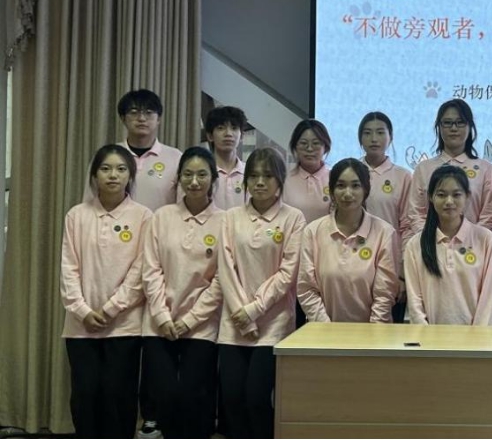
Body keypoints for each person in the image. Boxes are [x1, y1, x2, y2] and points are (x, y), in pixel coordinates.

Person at [61, 145, 152, 438]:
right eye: (106, 169)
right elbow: (69, 267)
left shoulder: (143, 216)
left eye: (121, 169)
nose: (113, 175)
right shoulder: (77, 215)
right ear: (94, 175)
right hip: (81, 326)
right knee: (85, 396)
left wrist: (111, 308)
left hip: (124, 325)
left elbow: (141, 271)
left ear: (130, 176)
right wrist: (83, 311)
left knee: (118, 397)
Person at [217, 148, 306, 439]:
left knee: (256, 397)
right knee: (232, 398)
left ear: (279, 180)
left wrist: (254, 310)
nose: (259, 182)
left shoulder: (293, 218)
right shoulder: (230, 217)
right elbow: (226, 268)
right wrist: (242, 314)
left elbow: (288, 273)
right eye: (253, 176)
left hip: (274, 323)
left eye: (267, 176)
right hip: (234, 322)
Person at [141, 147, 224, 438]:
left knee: (194, 396)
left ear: (213, 179)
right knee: (165, 395)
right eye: (187, 174)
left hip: (202, 325)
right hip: (159, 323)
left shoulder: (225, 221)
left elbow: (221, 280)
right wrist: (162, 317)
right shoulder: (161, 217)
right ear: (178, 179)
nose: (194, 181)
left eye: (202, 175)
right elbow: (150, 270)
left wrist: (190, 320)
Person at [297, 158, 400, 323]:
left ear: (366, 190)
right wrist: (326, 328)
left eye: (355, 186)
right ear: (331, 191)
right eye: (340, 185)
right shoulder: (313, 232)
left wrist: (374, 331)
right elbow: (306, 288)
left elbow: (385, 293)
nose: (347, 193)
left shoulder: (384, 233)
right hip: (323, 332)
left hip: (374, 331)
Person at [404, 165, 492, 325]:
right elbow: (415, 303)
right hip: (431, 337)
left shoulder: (485, 239)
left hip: (478, 336)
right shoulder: (415, 245)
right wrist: (425, 335)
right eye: (441, 195)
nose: (449, 201)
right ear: (431, 197)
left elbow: (489, 298)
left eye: (456, 195)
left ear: (467, 196)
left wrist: (478, 336)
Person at [408, 99, 492, 236]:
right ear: (439, 127)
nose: (454, 128)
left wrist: (469, 239)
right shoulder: (423, 169)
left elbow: (489, 215)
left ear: (470, 126)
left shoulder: (486, 169)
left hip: (474, 245)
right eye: (447, 123)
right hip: (431, 244)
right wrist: (433, 240)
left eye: (460, 122)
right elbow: (416, 214)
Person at [359, 112, 413, 322]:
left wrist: (402, 273)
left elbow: (408, 226)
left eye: (380, 132)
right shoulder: (350, 172)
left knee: (389, 330)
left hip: (390, 266)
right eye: (367, 133)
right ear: (360, 138)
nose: (374, 139)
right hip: (354, 265)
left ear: (390, 137)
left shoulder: (403, 176)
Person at [283, 119, 333, 224]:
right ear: (295, 147)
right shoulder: (284, 179)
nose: (309, 149)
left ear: (325, 147)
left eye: (316, 143)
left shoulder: (334, 179)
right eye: (303, 143)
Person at [205, 106, 248, 211]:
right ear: (210, 136)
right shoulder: (202, 172)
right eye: (221, 128)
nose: (228, 134)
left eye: (234, 128)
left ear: (242, 136)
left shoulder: (250, 172)